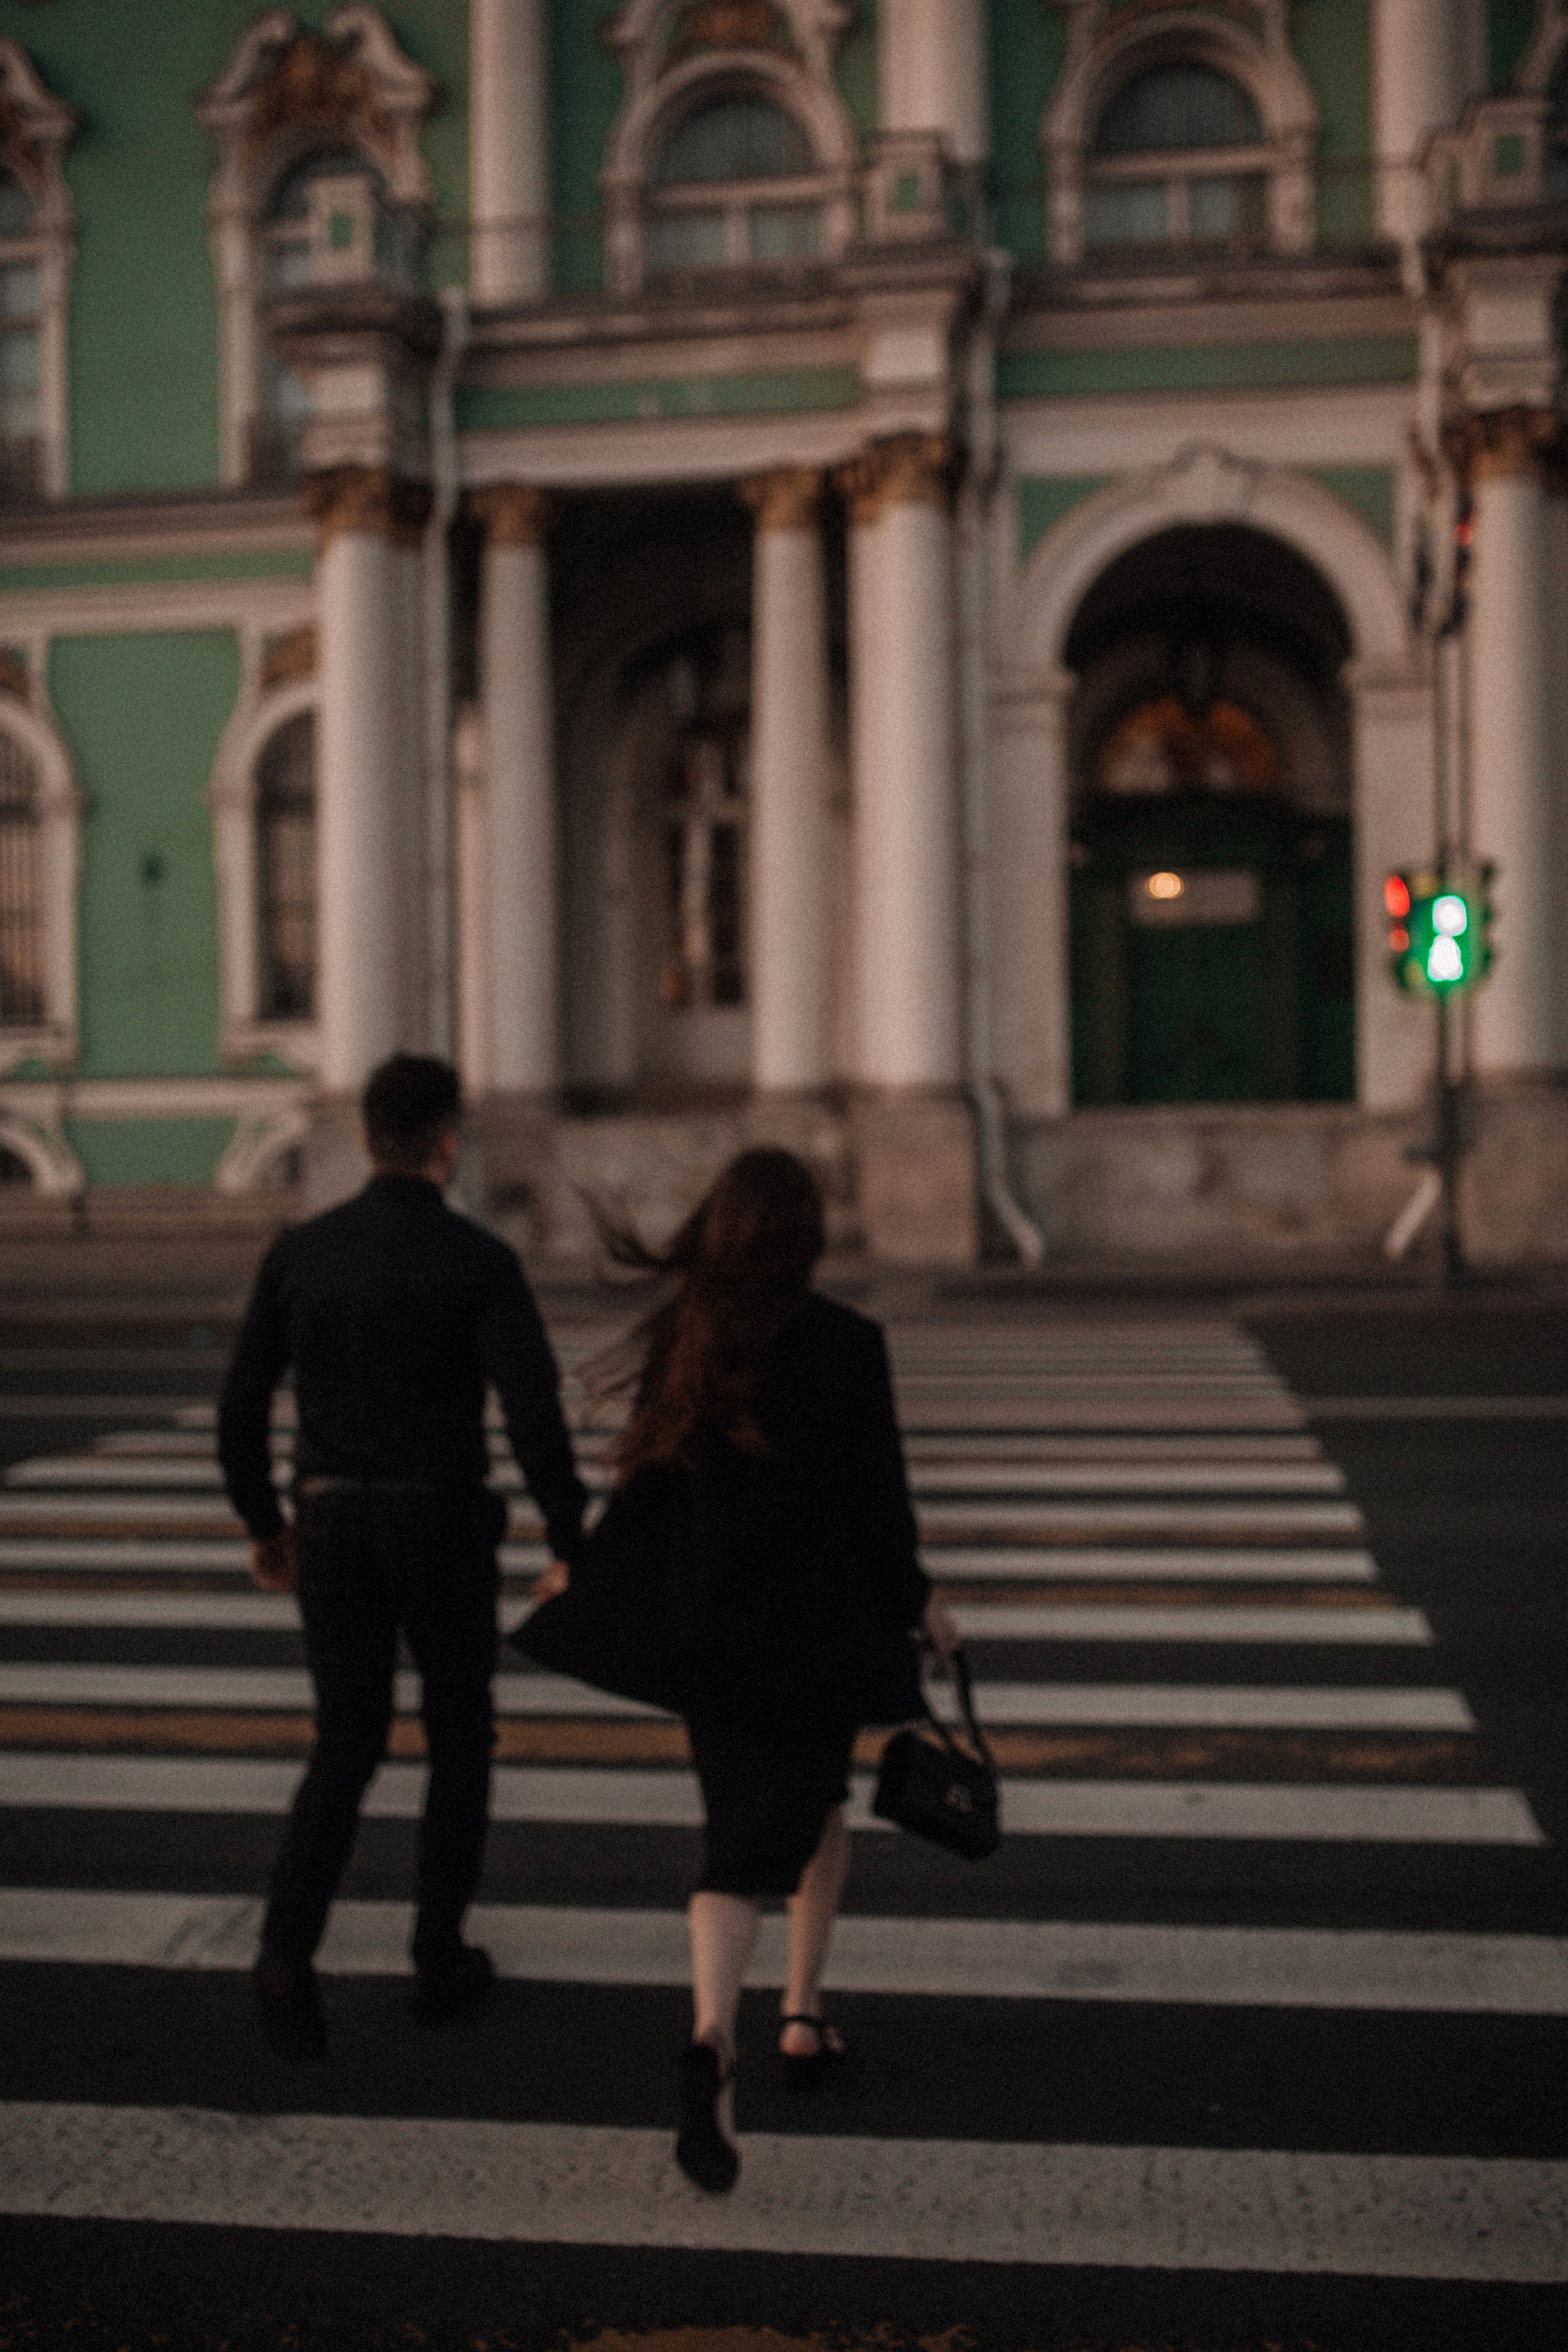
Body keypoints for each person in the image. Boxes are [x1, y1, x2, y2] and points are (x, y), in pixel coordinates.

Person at [537, 1147, 957, 2194]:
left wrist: (577, 1571)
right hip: (821, 1638)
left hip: (710, 1637)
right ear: (809, 1237)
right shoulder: (850, 1344)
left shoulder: (695, 1339)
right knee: (811, 1811)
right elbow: (879, 1502)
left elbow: (641, 1487)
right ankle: (787, 2020)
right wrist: (921, 1603)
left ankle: (728, 2028)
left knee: (742, 1833)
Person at [217, 1054, 586, 2062]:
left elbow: (242, 1404)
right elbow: (532, 1411)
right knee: (459, 1735)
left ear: (371, 1137)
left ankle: (287, 1952)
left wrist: (264, 1524)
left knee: (346, 1742)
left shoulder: (301, 1253)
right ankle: (436, 1955)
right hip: (442, 1523)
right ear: (448, 1142)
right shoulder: (477, 1260)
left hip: (331, 1522)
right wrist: (569, 1536)